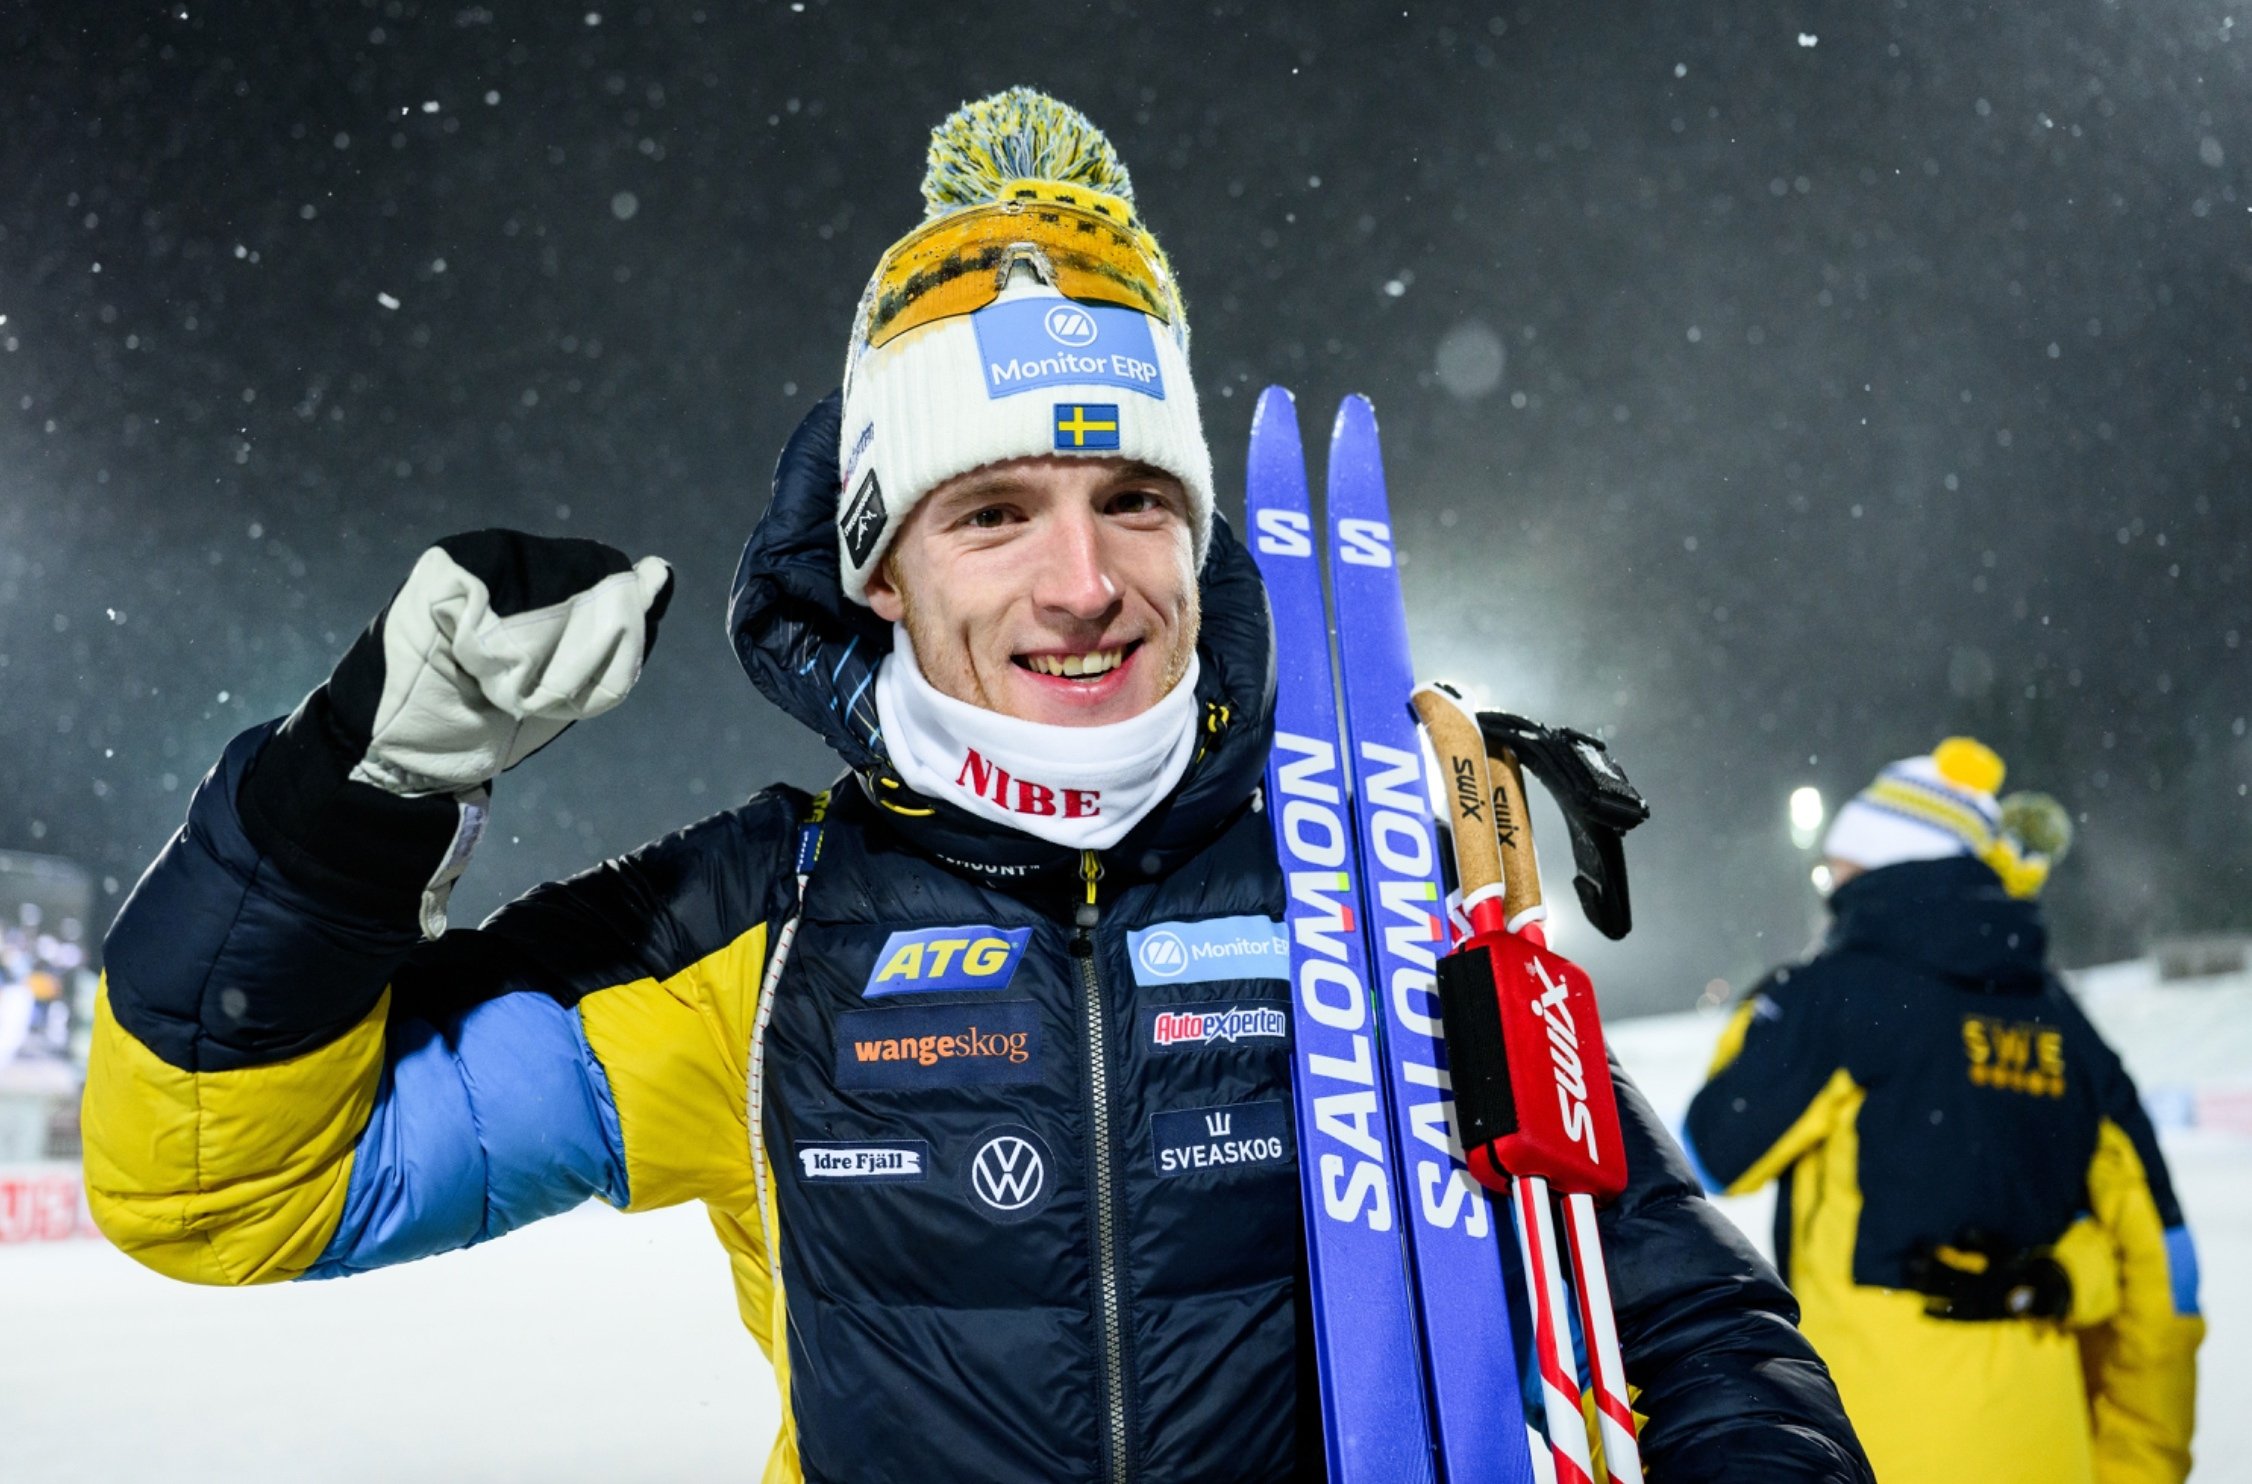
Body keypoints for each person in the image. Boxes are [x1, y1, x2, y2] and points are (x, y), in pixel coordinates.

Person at [86, 89, 1872, 1481]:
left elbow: (1685, 1322)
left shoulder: (1360, 884)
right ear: (880, 567)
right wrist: (352, 800)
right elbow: (220, 1188)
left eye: (1135, 502)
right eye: (994, 512)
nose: (1081, 584)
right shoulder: (752, 938)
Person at [1685, 738, 2204, 1484]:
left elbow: (1713, 1148)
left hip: (1878, 1438)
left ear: (1876, 863)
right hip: (2047, 1441)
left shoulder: (1841, 995)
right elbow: (2166, 1265)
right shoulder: (2066, 1023)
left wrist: (1778, 1006)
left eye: (1838, 869)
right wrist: (2139, 1462)